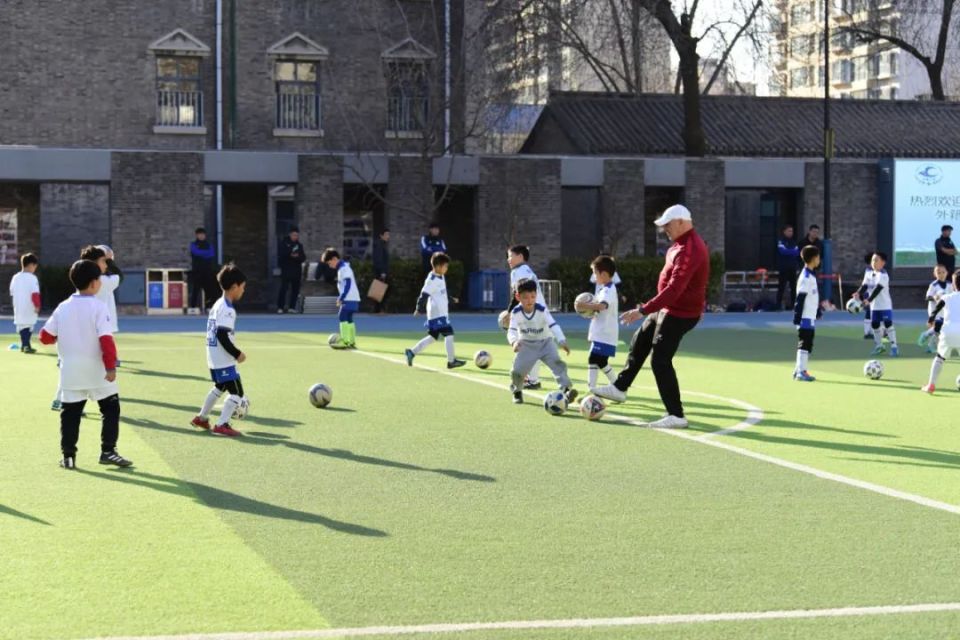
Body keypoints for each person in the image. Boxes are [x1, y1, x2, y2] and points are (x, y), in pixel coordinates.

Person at [593, 204, 709, 429]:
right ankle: (619, 387)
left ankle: (676, 415)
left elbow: (676, 288)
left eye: (668, 224)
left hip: (679, 313)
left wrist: (643, 309)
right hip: (668, 309)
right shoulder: (679, 244)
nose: (665, 228)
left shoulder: (690, 248)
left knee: (660, 360)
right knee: (641, 339)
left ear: (681, 223)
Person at [38, 259, 132, 469]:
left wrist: (59, 338)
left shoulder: (63, 307)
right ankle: (108, 451)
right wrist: (110, 367)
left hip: (70, 371)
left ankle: (68, 456)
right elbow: (106, 341)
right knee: (110, 409)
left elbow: (44, 336)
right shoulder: (98, 307)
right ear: (93, 283)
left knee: (70, 414)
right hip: (97, 371)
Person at [191, 264, 248, 437]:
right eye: (242, 287)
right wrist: (237, 353)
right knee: (237, 392)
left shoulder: (217, 304)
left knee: (219, 387)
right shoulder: (228, 310)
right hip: (223, 358)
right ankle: (222, 424)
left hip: (213, 356)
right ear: (234, 287)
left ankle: (201, 418)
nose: (243, 291)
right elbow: (222, 334)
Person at [507, 279, 576, 406]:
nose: (530, 300)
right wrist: (514, 342)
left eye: (533, 296)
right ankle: (517, 392)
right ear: (518, 297)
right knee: (516, 371)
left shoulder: (541, 310)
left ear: (536, 296)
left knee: (558, 364)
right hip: (526, 345)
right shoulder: (516, 313)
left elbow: (553, 325)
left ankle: (566, 389)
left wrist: (561, 340)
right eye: (525, 297)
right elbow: (511, 330)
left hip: (546, 343)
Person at [404, 252, 465, 369]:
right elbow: (424, 294)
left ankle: (411, 352)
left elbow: (442, 293)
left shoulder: (440, 276)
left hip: (441, 313)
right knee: (449, 333)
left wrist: (451, 299)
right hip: (437, 314)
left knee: (432, 337)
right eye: (445, 266)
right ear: (437, 267)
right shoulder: (431, 280)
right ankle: (451, 361)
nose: (447, 268)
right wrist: (418, 308)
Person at [576, 255, 619, 390]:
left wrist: (584, 306)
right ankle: (592, 388)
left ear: (604, 274)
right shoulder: (603, 288)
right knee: (594, 359)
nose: (594, 276)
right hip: (601, 332)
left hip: (605, 332)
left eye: (595, 273)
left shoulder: (608, 290)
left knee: (598, 360)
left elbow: (602, 306)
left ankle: (618, 385)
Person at [506, 244, 545, 390]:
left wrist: (510, 312)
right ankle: (532, 379)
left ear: (520, 256)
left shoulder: (520, 271)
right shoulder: (523, 270)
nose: (508, 259)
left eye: (511, 256)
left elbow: (521, 294)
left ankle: (528, 379)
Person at [853, 251, 899, 357]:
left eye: (876, 260)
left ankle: (894, 347)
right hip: (874, 306)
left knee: (888, 323)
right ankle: (879, 346)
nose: (873, 262)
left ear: (883, 263)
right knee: (875, 324)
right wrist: (858, 292)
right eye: (872, 260)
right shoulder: (868, 272)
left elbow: (877, 289)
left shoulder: (883, 275)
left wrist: (868, 299)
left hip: (885, 305)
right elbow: (865, 285)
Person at [922, 270, 960, 394]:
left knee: (939, 358)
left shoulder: (947, 297)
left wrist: (930, 319)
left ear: (954, 285)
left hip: (948, 332)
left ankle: (931, 385)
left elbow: (936, 308)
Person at [792, 245, 822, 382]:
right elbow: (800, 298)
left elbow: (812, 297)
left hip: (809, 316)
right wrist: (797, 318)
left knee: (808, 344)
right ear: (814, 258)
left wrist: (817, 310)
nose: (819, 259)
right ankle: (801, 372)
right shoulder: (805, 277)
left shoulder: (811, 275)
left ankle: (799, 369)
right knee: (804, 343)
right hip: (804, 317)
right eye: (818, 257)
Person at [323, 248, 360, 349]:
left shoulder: (343, 268)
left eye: (330, 263)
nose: (330, 266)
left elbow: (348, 284)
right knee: (349, 319)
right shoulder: (344, 267)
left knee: (342, 316)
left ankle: (345, 341)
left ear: (334, 259)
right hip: (354, 298)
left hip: (348, 298)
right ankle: (351, 341)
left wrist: (341, 297)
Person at [917, 264, 954, 353]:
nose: (941, 274)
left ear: (947, 273)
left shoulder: (950, 285)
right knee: (938, 326)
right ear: (935, 274)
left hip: (944, 310)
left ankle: (927, 337)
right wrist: (935, 297)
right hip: (934, 310)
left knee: (940, 328)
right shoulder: (933, 285)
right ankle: (930, 342)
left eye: (943, 272)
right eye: (938, 272)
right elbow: (927, 297)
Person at [9, 252, 41, 354]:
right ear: (31, 265)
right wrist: (37, 305)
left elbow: (12, 292)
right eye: (35, 266)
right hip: (29, 306)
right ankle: (26, 345)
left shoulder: (15, 277)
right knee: (29, 325)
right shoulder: (32, 278)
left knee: (22, 325)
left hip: (18, 306)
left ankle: (25, 344)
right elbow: (35, 294)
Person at [276, 227, 306, 313]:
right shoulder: (284, 243)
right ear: (290, 235)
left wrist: (297, 257)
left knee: (295, 289)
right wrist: (290, 254)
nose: (295, 237)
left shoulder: (299, 245)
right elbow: (281, 255)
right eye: (294, 235)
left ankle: (292, 307)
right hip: (286, 270)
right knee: (284, 289)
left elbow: (303, 257)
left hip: (296, 271)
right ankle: (280, 307)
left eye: (297, 235)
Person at [189, 227, 218, 311]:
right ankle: (193, 307)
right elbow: (195, 252)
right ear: (197, 235)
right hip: (197, 270)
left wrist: (201, 254)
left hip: (208, 270)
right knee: (195, 289)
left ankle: (208, 307)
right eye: (199, 234)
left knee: (209, 289)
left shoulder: (209, 245)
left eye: (203, 234)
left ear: (205, 235)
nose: (201, 236)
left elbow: (211, 254)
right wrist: (205, 254)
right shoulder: (193, 244)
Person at [776, 224, 800, 310]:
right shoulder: (781, 241)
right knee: (781, 286)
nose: (791, 233)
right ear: (784, 231)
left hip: (792, 267)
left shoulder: (794, 242)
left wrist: (790, 251)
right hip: (783, 267)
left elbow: (797, 252)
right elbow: (783, 251)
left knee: (794, 287)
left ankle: (793, 305)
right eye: (789, 231)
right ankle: (778, 305)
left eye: (792, 231)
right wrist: (792, 251)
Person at [372, 229, 390, 314]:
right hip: (380, 272)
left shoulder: (383, 245)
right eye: (386, 235)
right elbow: (379, 259)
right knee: (380, 291)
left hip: (383, 271)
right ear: (381, 235)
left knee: (381, 290)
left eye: (388, 235)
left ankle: (379, 309)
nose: (388, 237)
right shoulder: (379, 245)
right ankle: (379, 309)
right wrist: (382, 272)